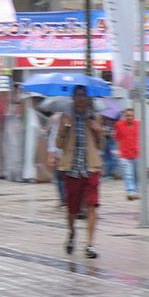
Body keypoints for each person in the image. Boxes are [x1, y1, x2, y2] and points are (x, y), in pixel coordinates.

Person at [55, 86, 104, 259]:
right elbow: (59, 144)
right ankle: (71, 233)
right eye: (78, 95)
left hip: (91, 168)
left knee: (92, 205)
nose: (81, 98)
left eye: (84, 95)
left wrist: (98, 131)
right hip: (72, 169)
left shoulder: (94, 117)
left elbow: (101, 145)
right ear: (74, 97)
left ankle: (90, 244)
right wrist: (65, 128)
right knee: (72, 210)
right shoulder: (65, 117)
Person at [115, 108, 140, 200]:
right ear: (125, 116)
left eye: (131, 115)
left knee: (136, 174)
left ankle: (136, 190)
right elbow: (117, 137)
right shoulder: (119, 125)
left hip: (136, 154)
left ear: (134, 116)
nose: (129, 117)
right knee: (128, 174)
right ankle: (130, 191)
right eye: (127, 115)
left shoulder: (138, 124)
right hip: (124, 154)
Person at [46, 111, 66, 207]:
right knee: (60, 177)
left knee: (62, 177)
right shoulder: (57, 119)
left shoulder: (58, 118)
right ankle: (63, 199)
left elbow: (52, 137)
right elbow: (52, 137)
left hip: (67, 153)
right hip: (60, 153)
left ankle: (65, 199)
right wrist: (52, 153)